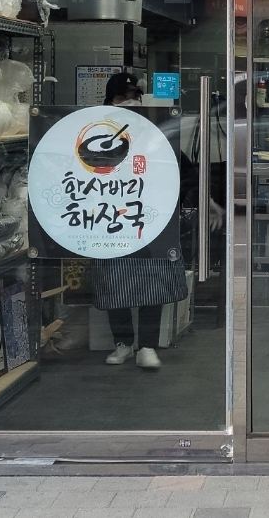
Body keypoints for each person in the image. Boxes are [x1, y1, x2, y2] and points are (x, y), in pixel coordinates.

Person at [90, 71, 220, 369]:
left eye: (134, 98)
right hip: (109, 221)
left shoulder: (155, 135)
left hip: (151, 221)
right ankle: (123, 343)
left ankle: (147, 346)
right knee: (113, 282)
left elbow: (186, 173)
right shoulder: (93, 132)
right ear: (110, 101)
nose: (130, 104)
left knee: (153, 281)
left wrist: (207, 200)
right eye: (123, 98)